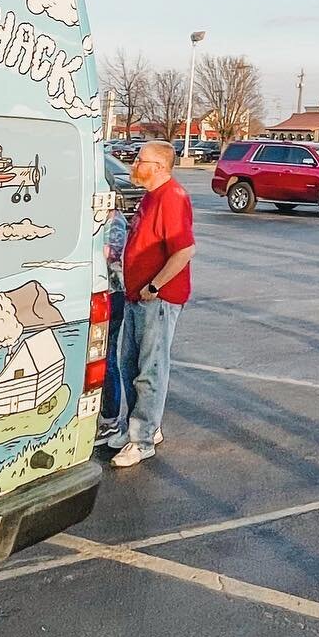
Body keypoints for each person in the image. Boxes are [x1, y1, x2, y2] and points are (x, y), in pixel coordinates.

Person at [103, 142, 196, 467]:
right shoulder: (151, 196)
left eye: (140, 159)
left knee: (150, 369)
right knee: (129, 364)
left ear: (158, 166)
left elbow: (184, 250)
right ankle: (141, 428)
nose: (134, 163)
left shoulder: (172, 197)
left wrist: (155, 285)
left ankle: (142, 440)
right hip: (137, 295)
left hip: (157, 300)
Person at [97, 206, 129, 435]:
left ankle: (110, 418)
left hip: (112, 293)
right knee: (102, 356)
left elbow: (112, 255)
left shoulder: (114, 221)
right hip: (103, 292)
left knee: (107, 356)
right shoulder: (102, 219)